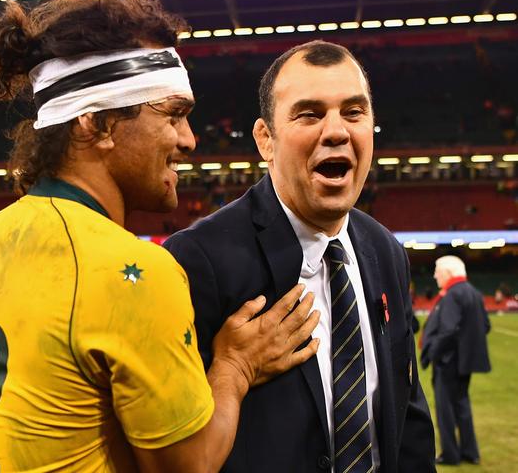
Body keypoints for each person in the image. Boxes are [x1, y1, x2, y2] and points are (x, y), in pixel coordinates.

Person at [0, 0, 320, 472]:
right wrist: (234, 368)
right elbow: (189, 466)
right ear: (98, 123)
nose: (188, 140)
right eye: (173, 114)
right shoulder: (133, 272)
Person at [165, 40, 436, 472]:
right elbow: (175, 452)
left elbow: (408, 418)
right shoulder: (198, 261)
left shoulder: (386, 251)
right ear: (265, 140)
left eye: (353, 112)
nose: (336, 131)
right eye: (309, 114)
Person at [421, 255, 491, 465]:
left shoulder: (452, 295)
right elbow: (485, 326)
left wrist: (434, 352)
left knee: (446, 410)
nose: (435, 276)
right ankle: (470, 452)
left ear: (449, 273)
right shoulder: (474, 293)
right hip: (464, 363)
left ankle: (450, 455)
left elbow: (448, 331)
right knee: (462, 406)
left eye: (437, 271)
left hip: (447, 362)